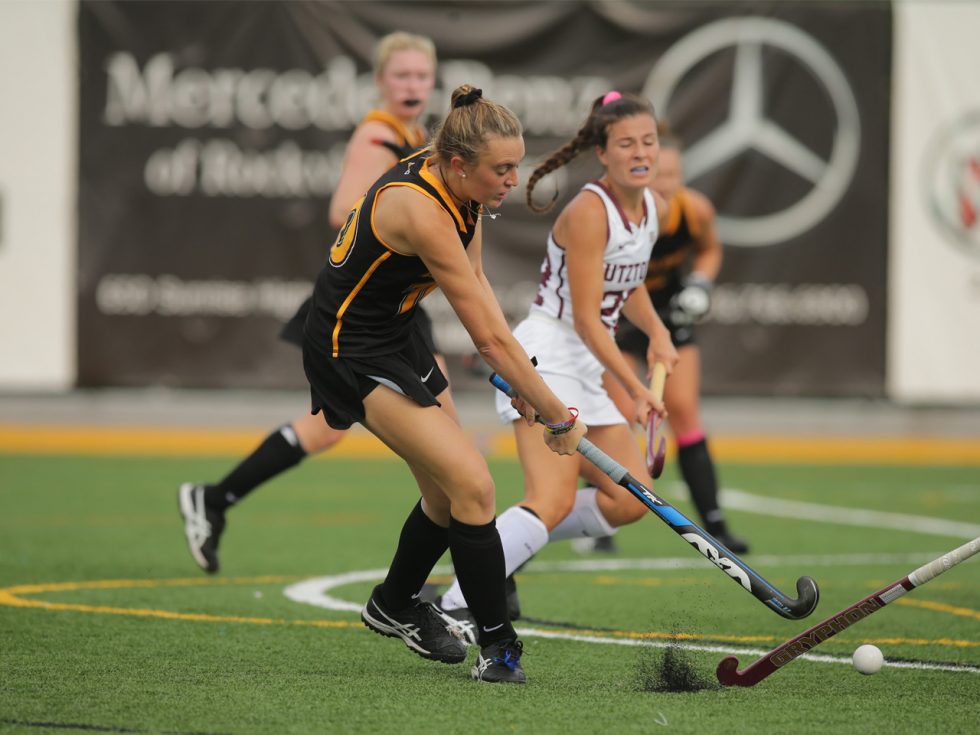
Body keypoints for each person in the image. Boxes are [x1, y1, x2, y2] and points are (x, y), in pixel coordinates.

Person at [302, 83, 587, 684]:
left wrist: (523, 380)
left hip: (396, 333)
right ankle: (499, 647)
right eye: (502, 169)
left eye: (516, 165)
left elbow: (478, 281)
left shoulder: (465, 192)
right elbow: (485, 337)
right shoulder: (422, 208)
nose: (513, 179)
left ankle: (394, 604)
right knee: (473, 486)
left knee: (446, 493)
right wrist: (558, 415)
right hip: (347, 347)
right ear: (459, 164)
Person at [179, 31, 442, 575]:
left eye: (421, 76)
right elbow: (342, 209)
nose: (413, 85)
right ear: (380, 82)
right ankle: (479, 575)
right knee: (440, 440)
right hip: (365, 307)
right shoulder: (379, 136)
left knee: (333, 428)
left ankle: (215, 498)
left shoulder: (415, 135)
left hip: (395, 305)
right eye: (402, 76)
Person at [435, 91, 679, 630]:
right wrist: (635, 389)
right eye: (626, 144)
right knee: (550, 498)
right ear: (602, 152)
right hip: (547, 361)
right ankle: (457, 601)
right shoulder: (591, 212)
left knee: (629, 500)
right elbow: (590, 320)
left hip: (586, 367)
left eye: (649, 141)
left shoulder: (652, 209)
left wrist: (658, 333)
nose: (641, 152)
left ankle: (497, 543)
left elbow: (628, 282)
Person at [604, 124, 750, 554]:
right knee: (618, 415)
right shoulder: (617, 215)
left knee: (685, 412)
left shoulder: (694, 210)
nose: (665, 186)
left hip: (668, 315)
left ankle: (716, 527)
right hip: (616, 319)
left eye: (674, 176)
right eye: (656, 176)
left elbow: (710, 249)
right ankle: (604, 522)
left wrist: (701, 284)